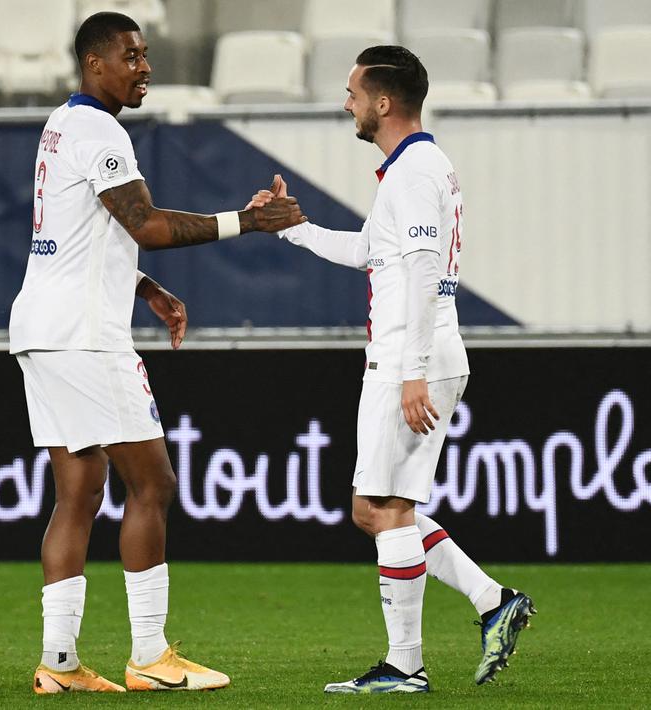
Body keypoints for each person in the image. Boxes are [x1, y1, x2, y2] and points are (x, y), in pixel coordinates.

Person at [9, 12, 306, 694]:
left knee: (78, 493)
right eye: (131, 56)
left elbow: (81, 233)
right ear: (94, 64)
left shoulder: (60, 125)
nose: (144, 67)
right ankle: (149, 655)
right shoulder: (99, 130)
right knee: (152, 484)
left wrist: (141, 286)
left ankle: (59, 665)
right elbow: (143, 223)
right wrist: (248, 220)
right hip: (85, 335)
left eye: (145, 55)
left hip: (41, 329)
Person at [247, 46, 535, 694]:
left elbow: (425, 273)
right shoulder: (413, 167)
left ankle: (406, 666)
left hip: (411, 357)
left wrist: (412, 372)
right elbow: (371, 253)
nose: (346, 103)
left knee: (386, 507)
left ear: (382, 102)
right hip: (411, 356)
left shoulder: (413, 172)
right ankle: (492, 601)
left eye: (353, 92)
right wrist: (293, 228)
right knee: (372, 509)